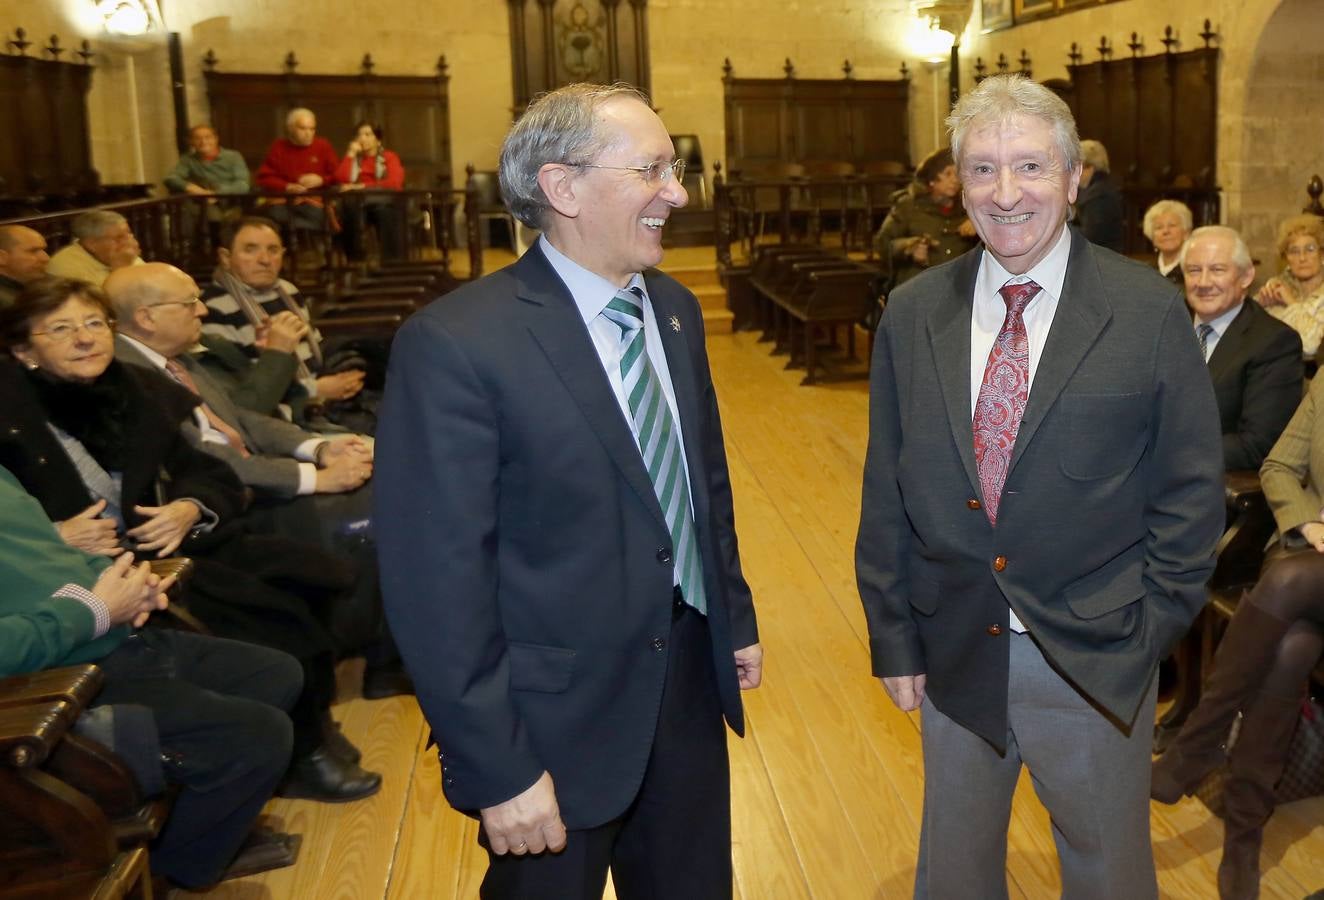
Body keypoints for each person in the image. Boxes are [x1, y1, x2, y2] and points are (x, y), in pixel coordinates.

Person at [375, 82, 762, 899]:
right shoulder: (455, 344)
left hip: (685, 683)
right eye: (652, 168)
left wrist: (732, 615)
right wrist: (495, 764)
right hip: (551, 725)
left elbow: (702, 488)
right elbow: (435, 584)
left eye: (675, 166)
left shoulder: (677, 309)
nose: (678, 191)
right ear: (563, 187)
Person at [855, 74, 1224, 899]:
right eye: (982, 169)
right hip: (953, 650)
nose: (1006, 191)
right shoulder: (914, 314)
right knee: (954, 875)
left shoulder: (1146, 311)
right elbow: (887, 489)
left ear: (1072, 179)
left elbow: (1190, 496)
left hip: (1095, 657)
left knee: (1109, 877)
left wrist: (1143, 631)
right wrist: (893, 635)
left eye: (1029, 166)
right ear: (958, 185)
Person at [0, 276, 383, 803]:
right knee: (270, 616)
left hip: (182, 541)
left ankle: (310, 728)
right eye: (61, 329)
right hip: (110, 576)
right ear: (25, 351)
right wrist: (57, 534)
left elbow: (207, 472)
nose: (85, 339)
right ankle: (299, 752)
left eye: (93, 324)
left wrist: (187, 507)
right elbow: (13, 527)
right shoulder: (11, 418)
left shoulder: (134, 388)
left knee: (313, 573)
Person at [107, 262, 411, 699]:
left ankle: (386, 654)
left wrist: (317, 448)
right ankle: (371, 659)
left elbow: (243, 418)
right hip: (225, 504)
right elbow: (204, 456)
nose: (202, 311)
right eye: (189, 302)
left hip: (254, 472)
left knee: (393, 493)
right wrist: (313, 478)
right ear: (146, 317)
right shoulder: (127, 373)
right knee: (374, 519)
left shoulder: (176, 358)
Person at [0, 463, 305, 889]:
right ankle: (163, 872)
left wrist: (121, 581)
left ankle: (194, 831)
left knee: (275, 674)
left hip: (107, 639)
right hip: (50, 691)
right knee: (259, 737)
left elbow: (51, 555)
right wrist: (92, 610)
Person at [1152, 376, 1324, 899]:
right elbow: (1277, 466)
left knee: (1287, 584)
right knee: (1291, 647)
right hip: (1306, 552)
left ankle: (1198, 741)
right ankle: (1244, 830)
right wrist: (1307, 524)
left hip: (1297, 577)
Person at [201, 217, 371, 428]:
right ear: (225, 257)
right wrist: (315, 389)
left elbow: (315, 348)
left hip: (325, 398)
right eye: (250, 250)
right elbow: (243, 393)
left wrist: (343, 380)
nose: (264, 259)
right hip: (277, 418)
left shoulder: (287, 290)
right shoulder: (212, 307)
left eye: (273, 250)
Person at [1183, 225, 1303, 470]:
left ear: (1246, 276)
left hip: (1207, 485)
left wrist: (1168, 455)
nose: (1203, 282)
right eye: (1194, 270)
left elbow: (1257, 444)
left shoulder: (1273, 342)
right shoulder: (1166, 325)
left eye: (1217, 270)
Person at [873, 146, 977, 288]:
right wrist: (908, 247)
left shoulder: (969, 206)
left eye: (957, 174)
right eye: (947, 174)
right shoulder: (908, 206)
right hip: (918, 286)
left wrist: (978, 226)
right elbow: (882, 245)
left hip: (959, 287)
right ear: (932, 180)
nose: (955, 180)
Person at [256, 108, 339, 231]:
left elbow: (338, 175)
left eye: (312, 129)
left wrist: (321, 180)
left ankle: (300, 235)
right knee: (274, 216)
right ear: (291, 129)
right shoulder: (278, 146)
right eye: (303, 128)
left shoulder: (323, 145)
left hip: (314, 201)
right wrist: (287, 186)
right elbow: (264, 178)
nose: (308, 133)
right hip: (284, 201)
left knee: (318, 218)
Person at [335, 121, 406, 261]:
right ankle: (355, 261)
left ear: (377, 140)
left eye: (367, 134)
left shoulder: (389, 157)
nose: (362, 138)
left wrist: (362, 186)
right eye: (359, 135)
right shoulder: (354, 159)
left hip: (382, 201)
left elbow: (394, 183)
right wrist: (350, 154)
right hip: (358, 204)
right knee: (349, 210)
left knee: (385, 211)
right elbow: (340, 179)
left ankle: (392, 261)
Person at [1255, 213, 1324, 356]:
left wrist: (1291, 303)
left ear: (1322, 254)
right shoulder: (1277, 286)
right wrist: (1259, 307)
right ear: (1286, 258)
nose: (1302, 258)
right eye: (1294, 251)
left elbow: (1312, 345)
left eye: (1310, 249)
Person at [45, 210, 143, 286]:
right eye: (119, 238)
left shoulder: (121, 251)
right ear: (92, 244)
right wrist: (122, 269)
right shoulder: (65, 267)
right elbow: (105, 305)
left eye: (129, 233)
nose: (129, 241)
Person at [163, 124, 251, 198]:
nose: (203, 142)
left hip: (230, 198)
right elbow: (171, 178)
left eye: (208, 137)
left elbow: (242, 185)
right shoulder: (188, 159)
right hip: (202, 201)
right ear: (191, 142)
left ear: (216, 139)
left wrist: (215, 193)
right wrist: (191, 188)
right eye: (197, 138)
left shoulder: (233, 156)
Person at [1073, 139, 1124, 252]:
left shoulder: (1098, 195)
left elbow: (1090, 236)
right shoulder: (1099, 188)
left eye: (1076, 168)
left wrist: (1062, 231)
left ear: (1090, 168)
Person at [1142, 199, 1193, 286]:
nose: (1165, 231)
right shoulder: (1144, 270)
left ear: (1186, 232)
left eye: (1172, 225)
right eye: (1159, 227)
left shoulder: (1193, 268)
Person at [0, 224, 50, 307]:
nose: (46, 258)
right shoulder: (7, 304)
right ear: (1, 257)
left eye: (44, 250)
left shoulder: (44, 281)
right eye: (33, 251)